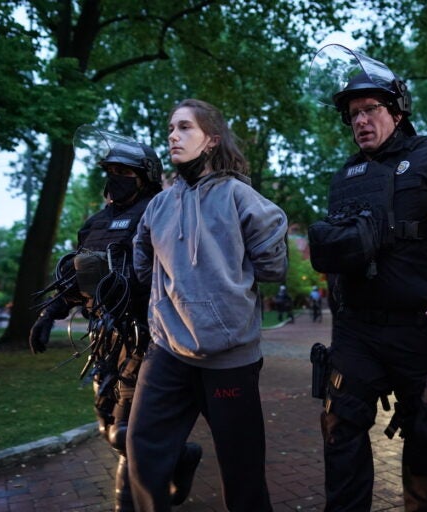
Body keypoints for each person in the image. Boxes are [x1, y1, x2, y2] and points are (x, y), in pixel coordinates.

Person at [308, 46, 427, 511]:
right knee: (339, 428)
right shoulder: (345, 175)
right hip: (357, 331)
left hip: (423, 329)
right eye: (352, 114)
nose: (360, 121)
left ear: (396, 109)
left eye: (370, 109)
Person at [128, 98, 288, 512]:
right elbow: (144, 266)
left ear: (211, 139)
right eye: (170, 129)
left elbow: (273, 265)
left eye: (185, 128)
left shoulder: (239, 196)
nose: (173, 137)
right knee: (142, 452)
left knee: (243, 471)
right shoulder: (159, 205)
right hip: (168, 350)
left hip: (229, 356)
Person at [27, 132, 201, 511]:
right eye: (110, 171)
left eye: (124, 171)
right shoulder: (94, 224)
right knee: (108, 426)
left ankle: (139, 493)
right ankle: (177, 456)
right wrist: (49, 313)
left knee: (128, 431)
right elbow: (78, 278)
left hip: (148, 339)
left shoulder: (161, 211)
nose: (114, 177)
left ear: (145, 175)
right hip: (104, 339)